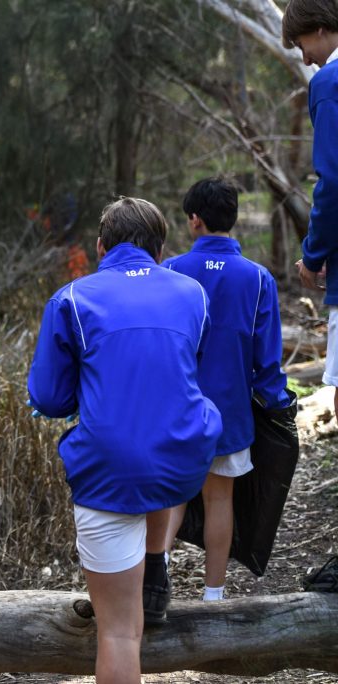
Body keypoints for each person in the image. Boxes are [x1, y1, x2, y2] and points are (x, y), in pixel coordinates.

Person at [28, 198, 221, 683]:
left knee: (117, 633)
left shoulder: (72, 299)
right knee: (154, 442)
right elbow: (184, 366)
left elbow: (49, 399)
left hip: (111, 468)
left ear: (100, 247)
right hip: (183, 453)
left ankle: (150, 566)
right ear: (161, 249)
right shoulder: (193, 293)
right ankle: (155, 561)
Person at [160, 177, 290, 601]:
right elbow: (267, 360)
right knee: (220, 500)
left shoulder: (173, 271)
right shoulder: (257, 278)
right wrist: (277, 402)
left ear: (194, 220)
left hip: (177, 408)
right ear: (231, 219)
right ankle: (213, 599)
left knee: (172, 498)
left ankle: (153, 585)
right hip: (230, 412)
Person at [284, 0, 338, 418]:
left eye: (301, 43)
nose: (305, 59)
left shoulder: (329, 81)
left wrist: (314, 253)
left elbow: (334, 180)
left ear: (320, 28)